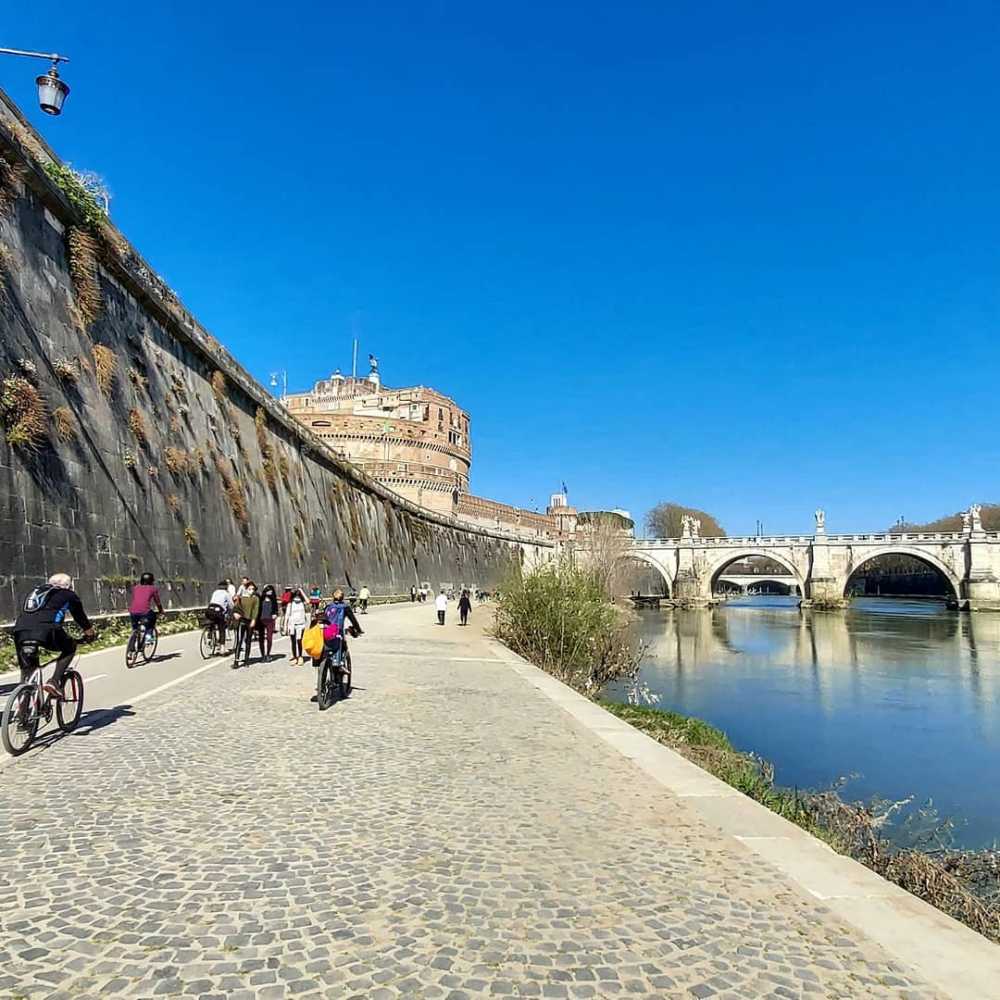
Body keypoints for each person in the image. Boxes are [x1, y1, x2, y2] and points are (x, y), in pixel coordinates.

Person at [13, 573, 97, 697]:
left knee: (28, 673)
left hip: (20, 631)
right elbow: (80, 617)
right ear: (69, 585)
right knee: (70, 647)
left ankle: (22, 711)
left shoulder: (33, 593)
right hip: (48, 630)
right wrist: (90, 635)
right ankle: (54, 681)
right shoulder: (68, 595)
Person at [231, 581, 260, 668]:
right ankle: (236, 661)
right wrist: (235, 613)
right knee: (239, 640)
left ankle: (247, 660)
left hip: (250, 620)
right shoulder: (241, 598)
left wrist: (254, 620)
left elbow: (256, 610)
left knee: (248, 640)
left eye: (253, 589)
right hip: (242, 620)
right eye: (249, 589)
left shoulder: (255, 599)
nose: (251, 590)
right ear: (246, 589)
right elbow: (236, 607)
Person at [129, 572, 164, 639]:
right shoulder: (152, 588)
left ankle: (132, 642)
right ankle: (149, 635)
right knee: (152, 620)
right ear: (151, 581)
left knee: (135, 628)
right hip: (145, 611)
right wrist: (161, 611)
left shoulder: (136, 588)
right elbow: (158, 602)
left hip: (132, 611)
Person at [206, 581, 233, 648]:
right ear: (226, 586)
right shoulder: (227, 593)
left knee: (213, 621)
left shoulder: (215, 592)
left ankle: (210, 634)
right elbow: (231, 605)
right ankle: (222, 648)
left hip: (209, 610)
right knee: (222, 628)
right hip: (218, 612)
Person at [286, 587, 309, 664]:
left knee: (299, 641)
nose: (297, 598)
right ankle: (294, 656)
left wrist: (301, 591)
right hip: (292, 624)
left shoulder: (302, 603)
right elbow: (287, 614)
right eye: (295, 596)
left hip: (301, 624)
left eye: (298, 596)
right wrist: (285, 625)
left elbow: (308, 601)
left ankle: (300, 656)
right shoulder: (290, 604)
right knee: (293, 641)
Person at [257, 584, 279, 661]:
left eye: (271, 590)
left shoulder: (273, 600)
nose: (270, 592)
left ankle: (268, 654)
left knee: (269, 638)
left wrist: (275, 614)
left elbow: (276, 610)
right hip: (261, 620)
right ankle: (262, 655)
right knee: (261, 638)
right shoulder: (261, 599)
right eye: (268, 590)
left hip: (270, 621)